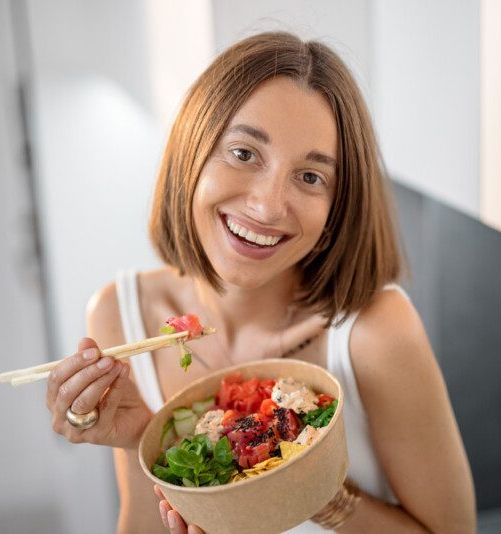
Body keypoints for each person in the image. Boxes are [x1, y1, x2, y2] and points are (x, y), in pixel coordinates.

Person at [45, 31, 475, 533]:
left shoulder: (378, 332)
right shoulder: (119, 313)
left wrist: (309, 487)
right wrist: (144, 440)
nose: (268, 206)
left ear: (337, 207)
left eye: (311, 177)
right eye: (244, 153)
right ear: (192, 151)